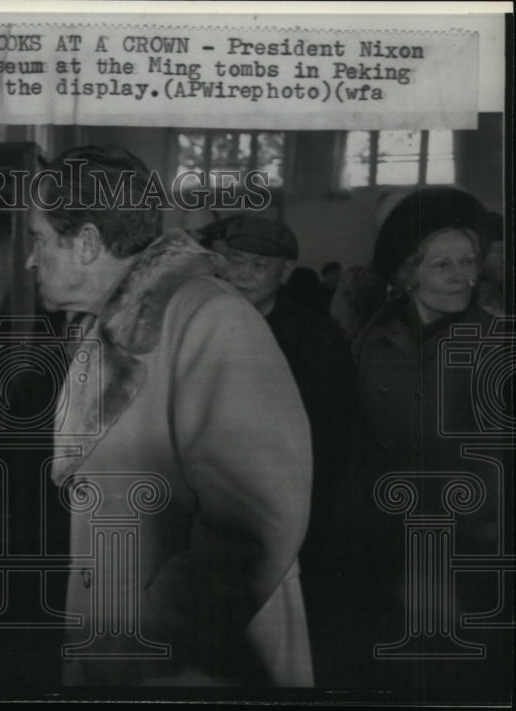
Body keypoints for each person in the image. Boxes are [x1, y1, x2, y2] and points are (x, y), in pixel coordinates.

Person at [26, 146, 313, 687]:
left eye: (38, 240)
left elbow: (258, 521)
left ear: (86, 242)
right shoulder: (103, 329)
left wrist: (153, 633)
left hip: (196, 657)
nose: (30, 260)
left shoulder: (213, 318)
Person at [340, 186, 509, 690]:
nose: (463, 275)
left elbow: (500, 463)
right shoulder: (371, 339)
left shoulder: (496, 344)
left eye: (469, 261)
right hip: (382, 543)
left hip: (467, 547)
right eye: (443, 265)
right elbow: (357, 445)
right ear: (409, 274)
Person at [209, 215, 354, 686]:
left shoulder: (315, 340)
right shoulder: (197, 323)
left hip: (286, 514)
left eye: (260, 264)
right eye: (236, 261)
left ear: (286, 271)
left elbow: (332, 441)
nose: (246, 274)